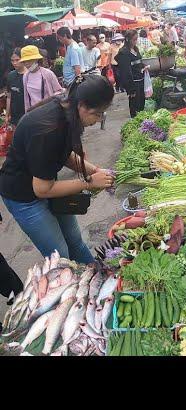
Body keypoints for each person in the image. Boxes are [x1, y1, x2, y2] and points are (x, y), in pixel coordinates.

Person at [0, 75, 115, 263]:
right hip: (23, 195)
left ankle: (96, 278)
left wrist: (94, 170)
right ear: (83, 105)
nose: (100, 118)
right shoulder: (47, 129)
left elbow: (64, 154)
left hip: (45, 182)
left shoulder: (69, 112)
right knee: (60, 254)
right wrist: (88, 182)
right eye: (98, 113)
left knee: (75, 241)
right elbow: (42, 189)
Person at [115, 30, 149, 118]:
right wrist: (130, 89)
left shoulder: (135, 49)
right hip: (133, 83)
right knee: (135, 105)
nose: (135, 41)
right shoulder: (124, 52)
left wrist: (143, 67)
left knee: (141, 103)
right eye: (134, 39)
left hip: (140, 80)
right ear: (127, 39)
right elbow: (125, 72)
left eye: (136, 39)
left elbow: (138, 62)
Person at [20, 45, 64, 112]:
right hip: (33, 112)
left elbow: (59, 91)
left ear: (36, 59)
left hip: (47, 112)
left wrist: (50, 99)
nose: (27, 64)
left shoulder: (48, 74)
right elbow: (26, 98)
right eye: (24, 61)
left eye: (29, 60)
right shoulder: (26, 76)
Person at [4, 48, 26, 125]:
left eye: (17, 60)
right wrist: (7, 115)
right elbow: (9, 97)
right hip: (14, 116)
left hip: (27, 115)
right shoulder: (10, 76)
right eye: (12, 61)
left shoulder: (30, 76)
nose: (14, 63)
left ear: (23, 59)